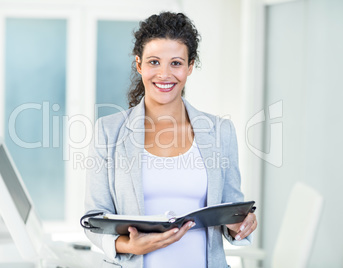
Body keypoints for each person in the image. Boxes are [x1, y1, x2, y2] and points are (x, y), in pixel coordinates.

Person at [84, 11, 257, 268]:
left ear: (189, 66)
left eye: (175, 63)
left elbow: (232, 213)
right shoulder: (108, 132)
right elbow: (93, 219)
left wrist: (241, 225)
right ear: (139, 64)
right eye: (154, 62)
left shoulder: (220, 131)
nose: (164, 74)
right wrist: (129, 245)